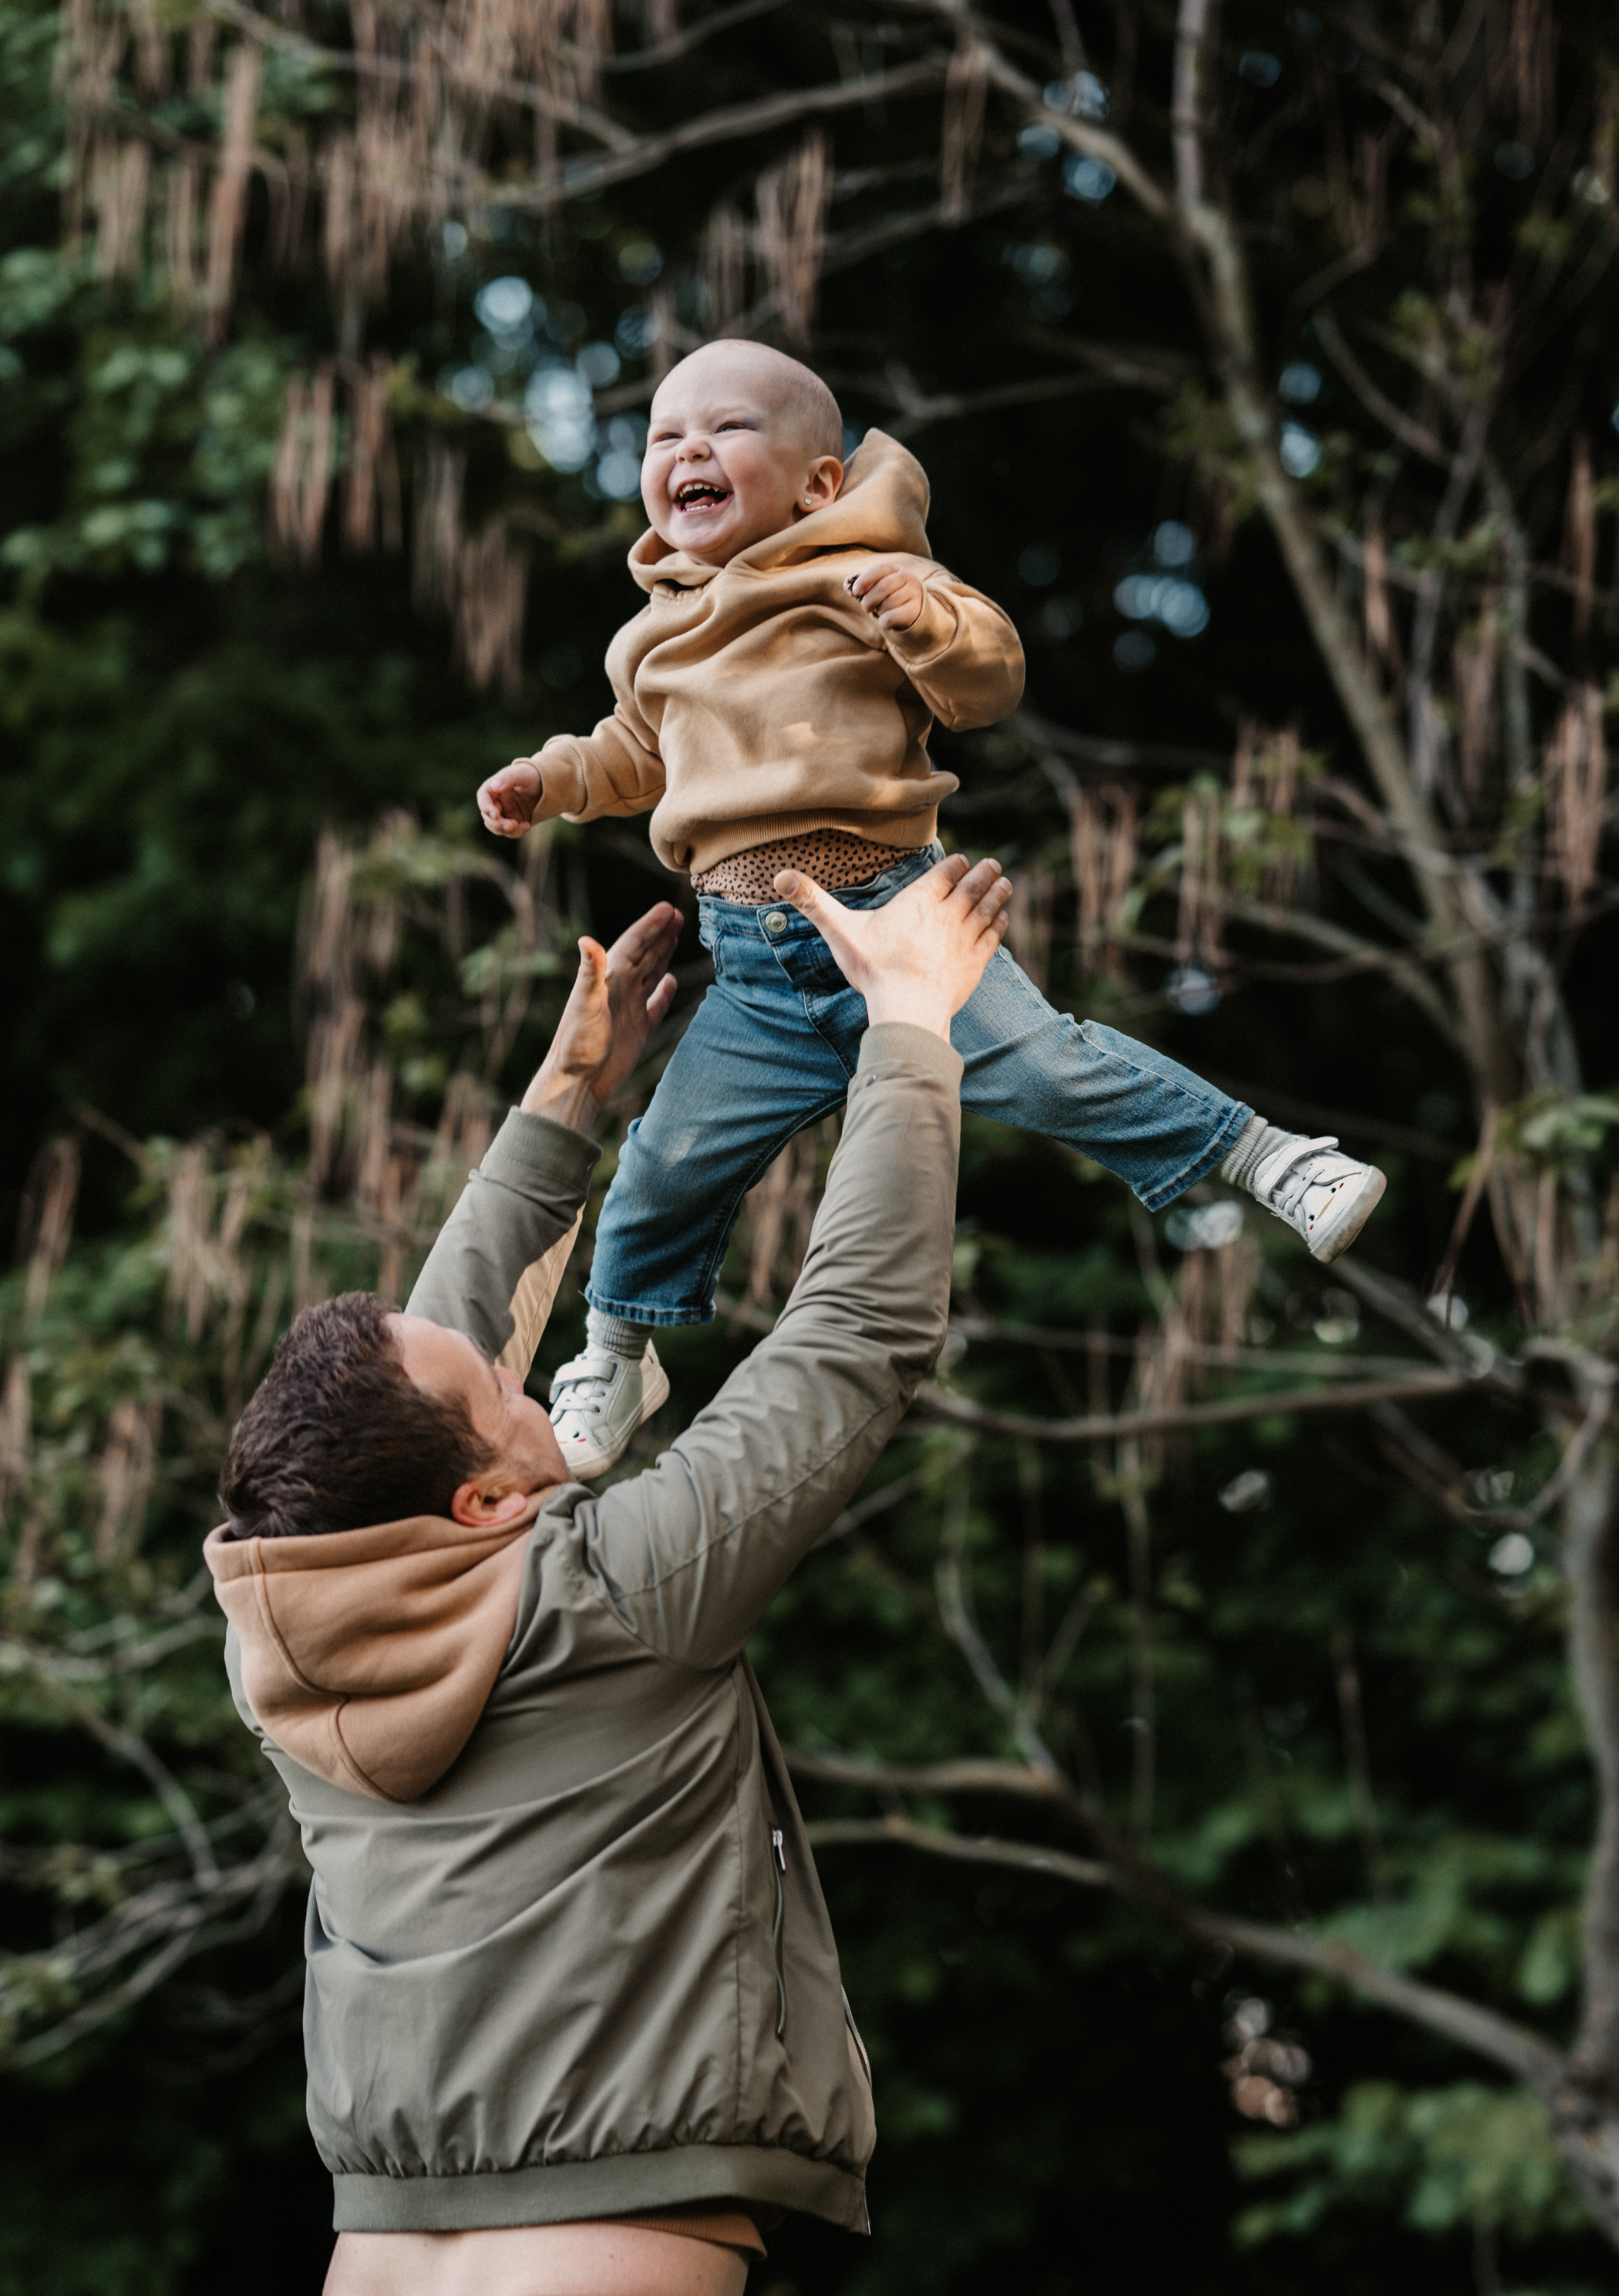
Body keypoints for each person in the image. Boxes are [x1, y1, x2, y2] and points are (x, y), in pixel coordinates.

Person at [204, 851, 1013, 2296]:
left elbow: (421, 1394)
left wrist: (566, 1106)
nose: (523, 1370)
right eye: (507, 1397)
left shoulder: (289, 1647)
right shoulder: (612, 1601)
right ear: (489, 1500)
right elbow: (852, 1347)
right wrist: (907, 1025)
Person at [478, 338, 1386, 1477]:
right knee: (664, 1164)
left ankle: (1270, 1160)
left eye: (726, 430)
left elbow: (985, 678)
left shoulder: (864, 572)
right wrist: (549, 780)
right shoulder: (655, 632)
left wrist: (918, 620)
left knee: (1048, 1065)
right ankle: (615, 1350)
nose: (688, 450)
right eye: (666, 436)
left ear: (816, 484)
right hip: (754, 971)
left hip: (895, 923)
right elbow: (633, 753)